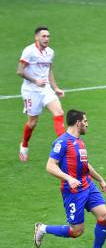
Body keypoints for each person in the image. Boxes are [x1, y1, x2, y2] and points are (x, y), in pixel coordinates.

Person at [33, 110, 106, 248]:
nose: (87, 124)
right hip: (73, 191)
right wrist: (68, 178)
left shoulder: (80, 142)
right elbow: (50, 165)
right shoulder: (62, 142)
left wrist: (100, 179)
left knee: (103, 216)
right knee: (76, 231)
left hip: (87, 185)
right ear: (78, 123)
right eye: (85, 121)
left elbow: (85, 164)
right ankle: (42, 228)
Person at [17, 26, 65, 162]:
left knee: (59, 113)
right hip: (31, 90)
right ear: (36, 37)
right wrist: (35, 80)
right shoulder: (29, 51)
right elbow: (19, 71)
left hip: (46, 89)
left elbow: (49, 70)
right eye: (44, 36)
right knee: (32, 122)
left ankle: (63, 149)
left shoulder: (50, 52)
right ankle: (24, 145)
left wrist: (56, 88)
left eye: (48, 36)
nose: (47, 39)